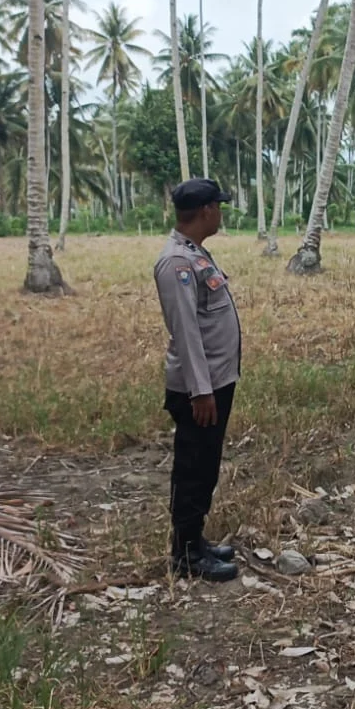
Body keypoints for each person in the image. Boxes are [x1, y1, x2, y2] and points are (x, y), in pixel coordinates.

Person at [153, 178, 244, 582]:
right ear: (206, 210)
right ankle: (186, 555)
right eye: (218, 206)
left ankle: (194, 540)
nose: (221, 213)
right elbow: (186, 332)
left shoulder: (194, 254)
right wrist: (201, 390)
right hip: (199, 389)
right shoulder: (177, 263)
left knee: (204, 465)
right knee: (193, 467)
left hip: (214, 381)